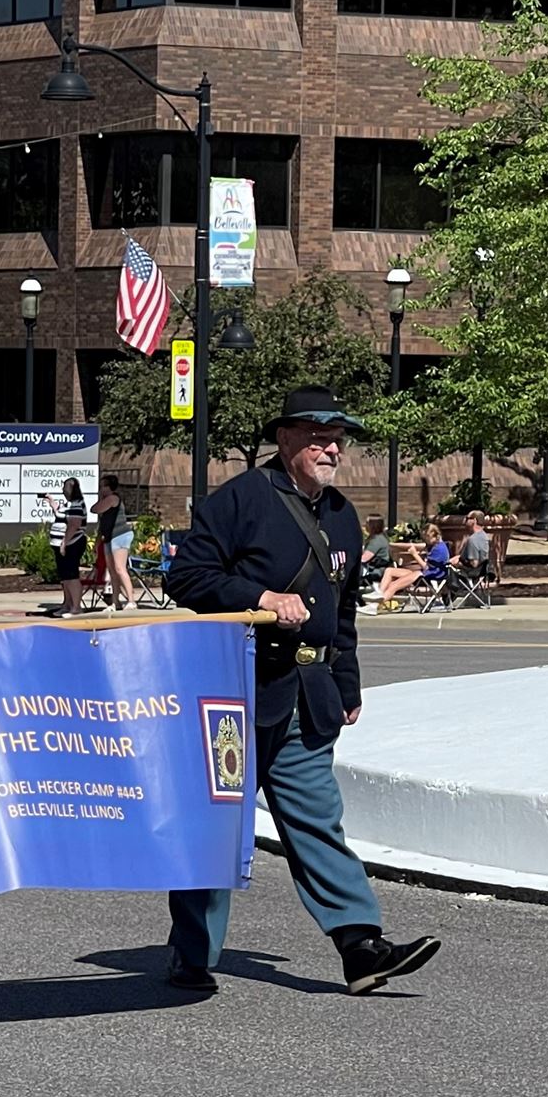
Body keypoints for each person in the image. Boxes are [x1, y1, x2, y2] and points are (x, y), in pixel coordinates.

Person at [162, 385, 440, 997]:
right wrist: (259, 599)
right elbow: (186, 576)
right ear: (284, 438)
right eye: (317, 436)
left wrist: (347, 680)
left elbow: (342, 612)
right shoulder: (238, 501)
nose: (331, 447)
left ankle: (360, 945)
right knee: (218, 824)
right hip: (237, 694)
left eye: (337, 436)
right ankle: (192, 952)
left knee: (318, 822)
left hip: (308, 694)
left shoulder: (341, 513)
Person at [373, 529, 448, 612]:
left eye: (425, 538)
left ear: (432, 536)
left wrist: (414, 554)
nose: (424, 541)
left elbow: (426, 567)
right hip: (421, 573)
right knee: (389, 571)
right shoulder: (435, 546)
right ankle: (379, 594)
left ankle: (375, 605)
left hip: (428, 576)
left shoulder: (439, 549)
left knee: (394, 585)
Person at [95, 474, 138, 610]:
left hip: (120, 535)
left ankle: (131, 601)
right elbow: (102, 523)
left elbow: (95, 509)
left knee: (120, 568)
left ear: (109, 487)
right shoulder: (105, 500)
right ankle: (115, 602)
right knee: (112, 571)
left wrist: (101, 499)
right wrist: (97, 541)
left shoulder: (113, 498)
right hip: (109, 537)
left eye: (103, 486)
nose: (101, 489)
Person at [51, 477, 89, 616]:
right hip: (63, 544)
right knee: (65, 576)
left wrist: (64, 542)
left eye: (65, 487)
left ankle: (76, 607)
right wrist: (52, 503)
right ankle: (67, 604)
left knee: (72, 575)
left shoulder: (77, 504)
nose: (63, 489)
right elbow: (62, 516)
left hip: (72, 544)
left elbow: (74, 524)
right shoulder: (69, 504)